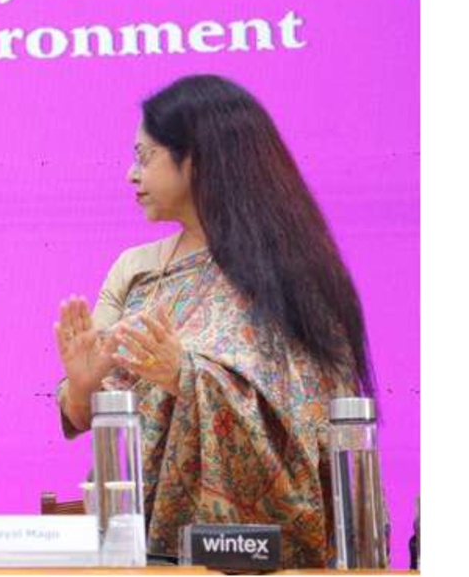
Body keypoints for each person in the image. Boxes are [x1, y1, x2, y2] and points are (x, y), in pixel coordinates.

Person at [52, 74, 375, 567]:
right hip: (142, 546)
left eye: (145, 156)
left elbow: (307, 419)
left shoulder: (293, 274)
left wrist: (185, 376)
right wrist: (82, 385)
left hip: (262, 557)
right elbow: (83, 415)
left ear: (198, 159)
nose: (131, 175)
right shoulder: (137, 270)